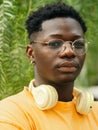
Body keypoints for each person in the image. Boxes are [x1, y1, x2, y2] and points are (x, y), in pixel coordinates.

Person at [0, 2, 98, 130]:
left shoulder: (94, 112)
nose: (69, 51)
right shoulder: (10, 114)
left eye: (78, 44)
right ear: (31, 53)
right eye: (55, 43)